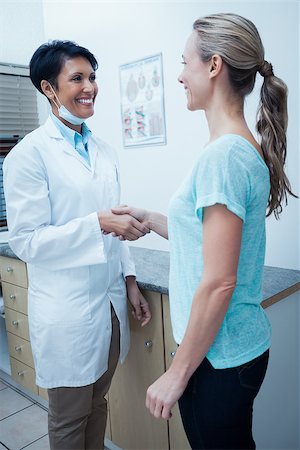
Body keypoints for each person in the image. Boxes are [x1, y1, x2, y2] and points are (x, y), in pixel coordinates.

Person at [111, 13, 297, 450]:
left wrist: (177, 373)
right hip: (233, 350)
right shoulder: (235, 147)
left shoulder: (225, 156)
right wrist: (152, 220)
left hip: (220, 356)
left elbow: (219, 281)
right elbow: (211, 244)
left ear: (214, 66)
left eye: (184, 63)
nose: (179, 76)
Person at [3, 40, 151, 450]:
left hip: (109, 307)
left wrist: (131, 279)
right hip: (67, 313)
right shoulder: (27, 157)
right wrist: (95, 223)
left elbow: (117, 224)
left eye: (92, 77)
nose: (90, 87)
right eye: (77, 79)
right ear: (49, 89)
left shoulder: (103, 150)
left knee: (98, 403)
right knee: (69, 419)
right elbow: (28, 242)